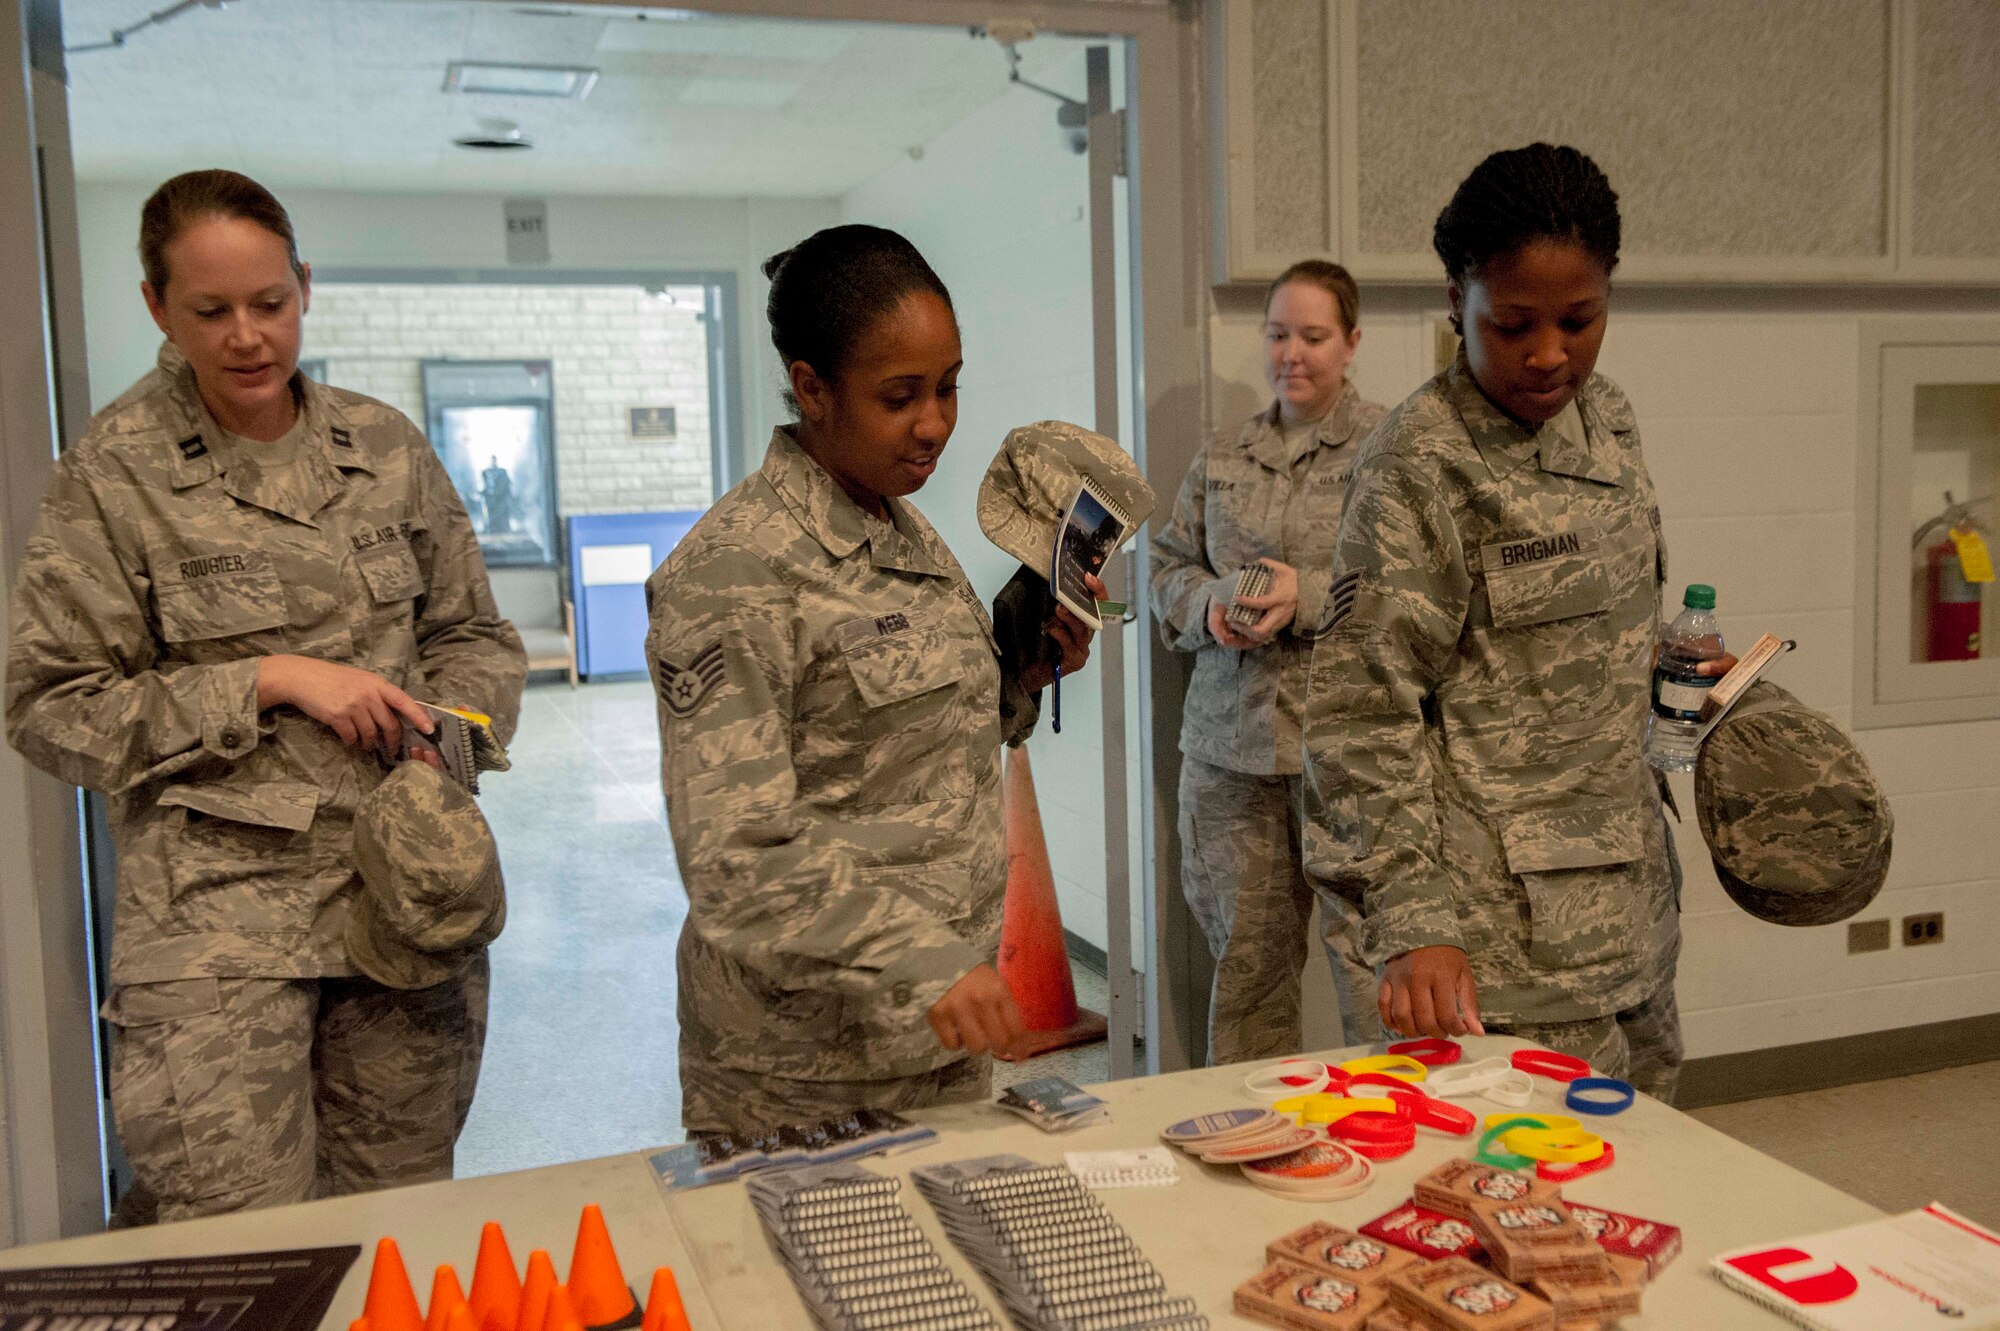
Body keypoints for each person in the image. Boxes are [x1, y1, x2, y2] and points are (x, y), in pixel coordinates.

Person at [4, 169, 526, 1222]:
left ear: (304, 289)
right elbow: (52, 703)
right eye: (211, 311)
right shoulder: (115, 473)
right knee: (249, 1258)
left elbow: (474, 635)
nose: (248, 336)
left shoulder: (382, 448)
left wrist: (448, 737)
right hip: (215, 942)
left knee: (401, 1233)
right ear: (157, 307)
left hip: (400, 912)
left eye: (270, 303)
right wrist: (269, 678)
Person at [646, 224, 1100, 1139]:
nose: (933, 422)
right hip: (800, 1074)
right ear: (811, 387)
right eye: (900, 396)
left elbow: (912, 742)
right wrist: (926, 960)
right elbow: (735, 858)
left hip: (933, 1041)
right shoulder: (734, 573)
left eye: (948, 386)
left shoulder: (899, 526)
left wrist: (1024, 672)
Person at [1299, 145, 1732, 1101]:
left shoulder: (1607, 423)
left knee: (1643, 1192)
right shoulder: (1418, 466)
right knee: (1509, 1206)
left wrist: (1686, 674)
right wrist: (1414, 921)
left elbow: (1586, 637)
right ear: (1456, 302)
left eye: (1580, 321)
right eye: (1514, 324)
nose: (1550, 354)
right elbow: (1361, 713)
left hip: (1627, 914)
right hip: (1494, 954)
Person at [1151, 260, 1388, 1063]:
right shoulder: (1223, 456)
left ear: (1351, 342)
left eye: (1314, 336)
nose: (1293, 353)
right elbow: (1165, 569)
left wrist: (1310, 596)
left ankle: (1401, 1140)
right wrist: (1211, 604)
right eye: (1278, 334)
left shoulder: (1390, 454)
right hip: (1231, 762)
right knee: (1246, 976)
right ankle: (1257, 1145)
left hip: (1350, 755)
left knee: (1377, 974)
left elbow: (1417, 590)